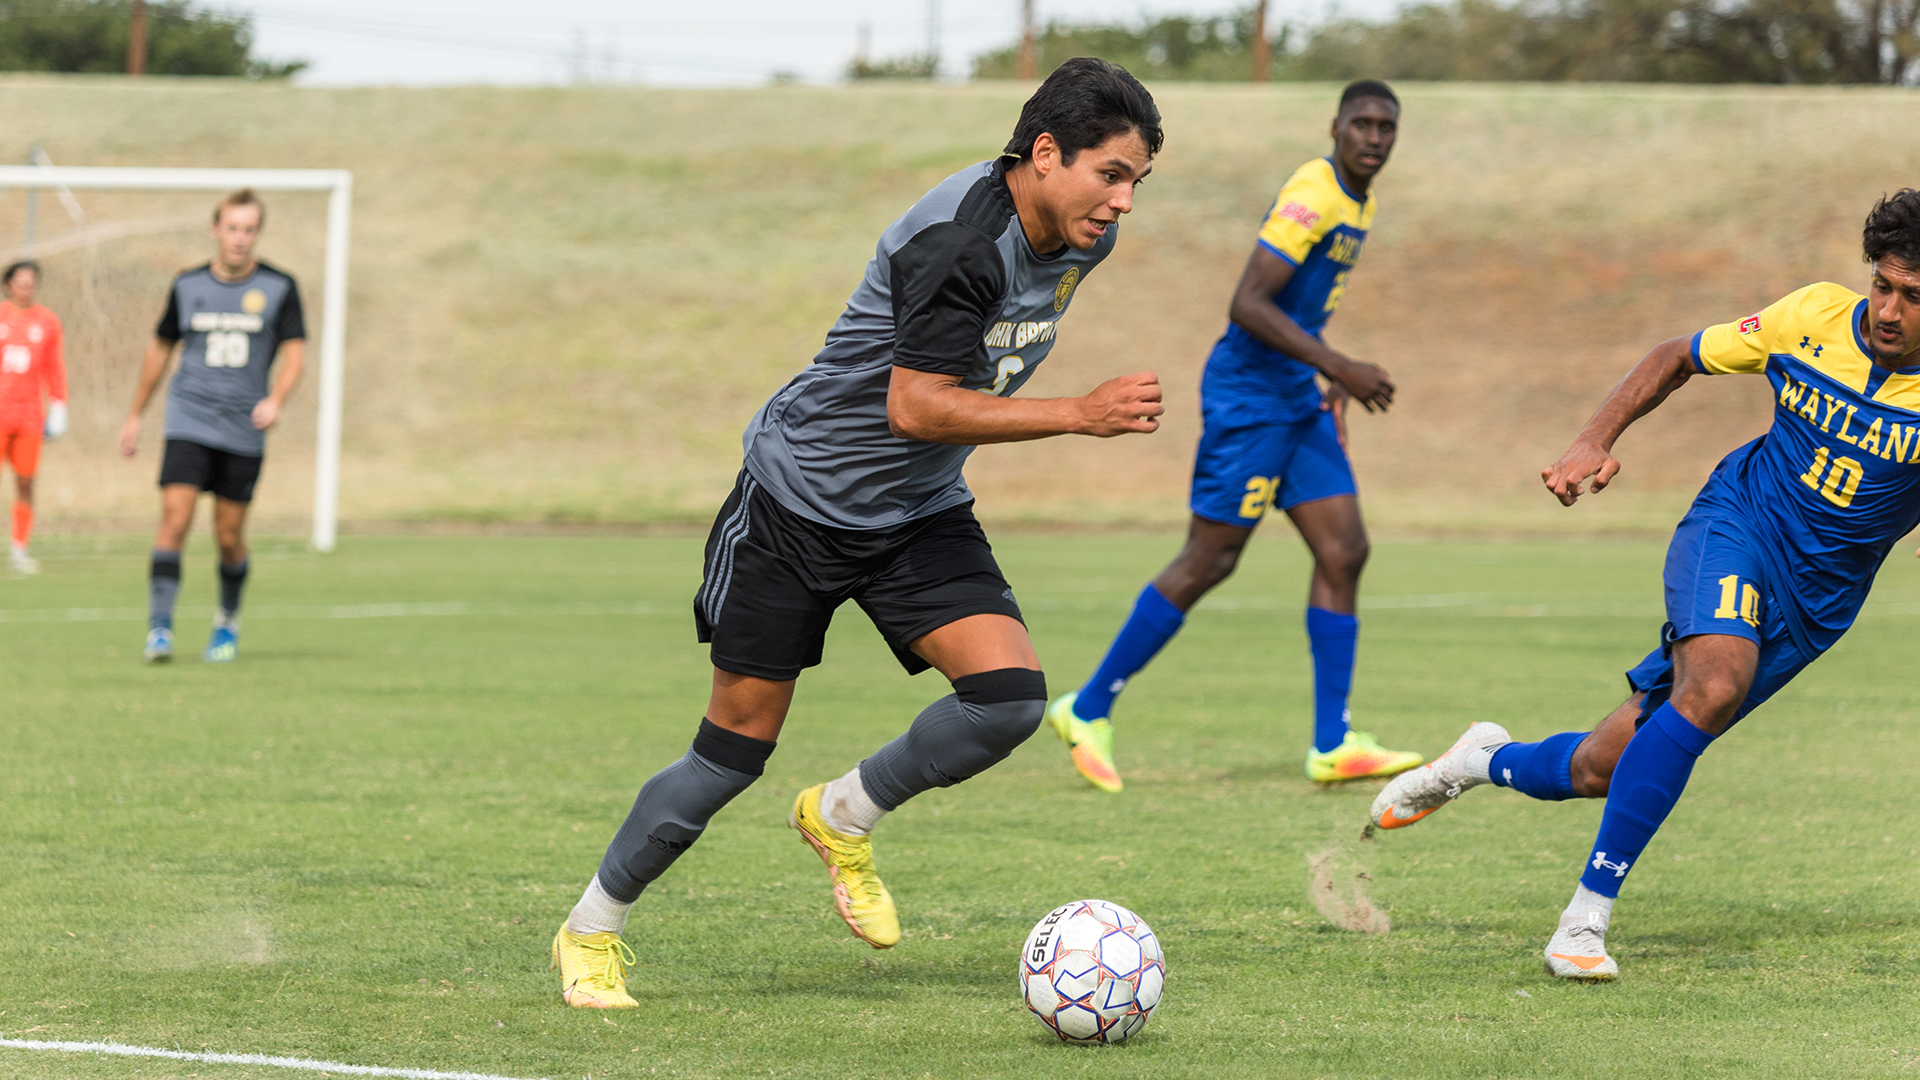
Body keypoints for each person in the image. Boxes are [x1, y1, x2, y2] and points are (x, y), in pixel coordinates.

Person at [551, 57, 1166, 1009]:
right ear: (1046, 154)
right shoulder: (961, 244)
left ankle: (842, 813)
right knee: (730, 756)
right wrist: (1078, 413)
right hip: (796, 508)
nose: (1123, 202)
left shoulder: (1082, 237)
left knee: (1006, 700)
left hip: (916, 511)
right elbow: (918, 406)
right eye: (1111, 175)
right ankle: (591, 927)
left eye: (1138, 183)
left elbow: (957, 397)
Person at [1369, 190, 1920, 981]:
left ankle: (1478, 761)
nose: (1889, 310)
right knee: (1716, 683)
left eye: (1913, 296)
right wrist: (1593, 438)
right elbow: (1677, 354)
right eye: (1883, 284)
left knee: (1599, 767)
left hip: (1817, 603)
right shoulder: (1811, 318)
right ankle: (1582, 924)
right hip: (1739, 526)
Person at [1043, 80, 1421, 792]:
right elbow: (1248, 302)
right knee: (1209, 561)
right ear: (1335, 126)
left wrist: (1323, 372)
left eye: (1386, 127)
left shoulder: (1358, 199)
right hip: (1249, 400)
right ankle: (1087, 708)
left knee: (1345, 550)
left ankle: (1332, 743)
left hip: (1297, 398)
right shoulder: (1314, 190)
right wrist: (1339, 364)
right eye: (1362, 123)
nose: (1374, 136)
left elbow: (1297, 309)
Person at [119, 188, 305, 664]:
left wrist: (276, 400)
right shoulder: (187, 285)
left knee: (228, 537)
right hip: (189, 416)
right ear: (215, 229)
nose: (239, 238)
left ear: (256, 233)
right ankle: (159, 629)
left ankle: (227, 622)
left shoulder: (280, 287)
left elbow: (294, 353)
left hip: (243, 426)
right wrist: (136, 413)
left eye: (248, 229)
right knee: (175, 520)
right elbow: (160, 348)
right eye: (232, 228)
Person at [0, 261, 68, 575]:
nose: (26, 287)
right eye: (20, 281)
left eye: (31, 282)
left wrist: (59, 406)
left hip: (28, 417)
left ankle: (19, 548)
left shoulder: (47, 321)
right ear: (9, 284)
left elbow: (53, 367)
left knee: (25, 482)